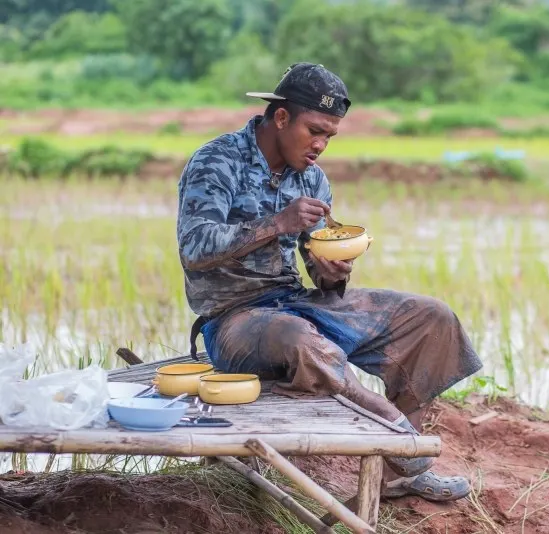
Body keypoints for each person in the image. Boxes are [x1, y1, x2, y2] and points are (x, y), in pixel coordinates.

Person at [176, 62, 483, 502]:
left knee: (432, 318)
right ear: (281, 117)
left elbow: (318, 274)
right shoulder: (217, 161)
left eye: (330, 136)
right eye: (314, 131)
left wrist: (332, 271)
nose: (320, 145)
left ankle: (396, 474)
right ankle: (404, 443)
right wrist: (276, 223)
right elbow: (194, 246)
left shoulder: (313, 179)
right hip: (233, 318)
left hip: (295, 302)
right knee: (303, 341)